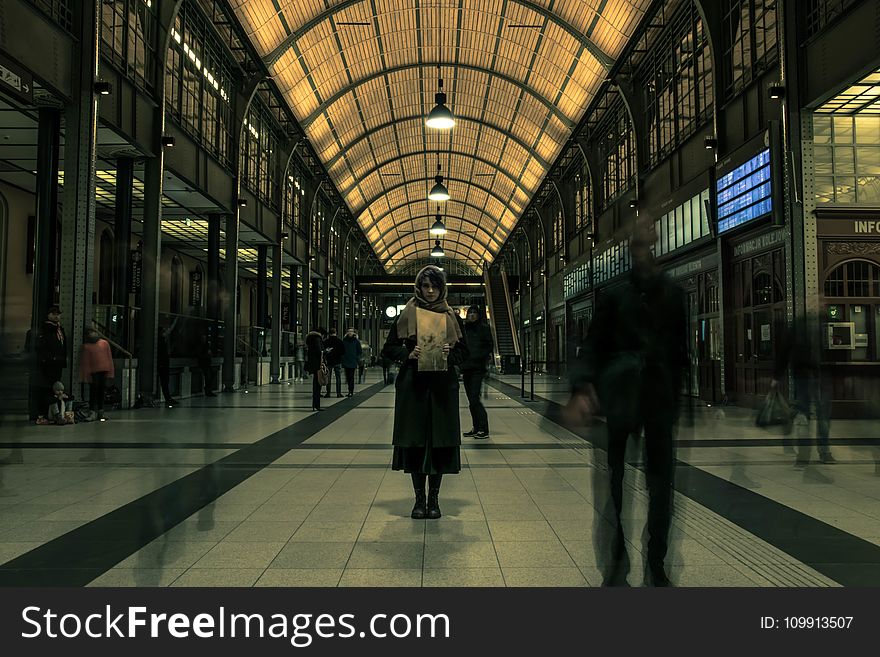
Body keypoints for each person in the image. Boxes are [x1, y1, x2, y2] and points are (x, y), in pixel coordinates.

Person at [566, 219, 688, 587]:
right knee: (615, 484)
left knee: (659, 486)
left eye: (648, 241)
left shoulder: (672, 294)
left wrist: (681, 403)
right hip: (621, 399)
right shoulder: (615, 296)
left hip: (658, 400)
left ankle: (656, 560)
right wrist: (583, 387)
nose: (644, 249)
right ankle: (618, 562)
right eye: (638, 243)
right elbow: (593, 346)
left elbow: (680, 353)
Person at [382, 265, 469, 520]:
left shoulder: (452, 316)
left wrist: (449, 355)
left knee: (439, 441)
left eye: (435, 286)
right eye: (425, 286)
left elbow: (465, 352)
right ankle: (419, 499)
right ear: (418, 288)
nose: (430, 291)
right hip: (414, 387)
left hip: (442, 388)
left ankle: (434, 499)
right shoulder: (407, 314)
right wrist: (407, 354)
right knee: (415, 441)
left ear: (442, 288)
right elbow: (389, 349)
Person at [773, 312, 835, 466]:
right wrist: (777, 375)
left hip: (821, 376)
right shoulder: (798, 325)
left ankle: (823, 452)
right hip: (804, 376)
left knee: (823, 416)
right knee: (805, 415)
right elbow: (785, 351)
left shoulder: (825, 323)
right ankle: (805, 454)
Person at [462, 304, 494, 438]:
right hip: (466, 369)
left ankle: (484, 428)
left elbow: (489, 347)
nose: (472, 315)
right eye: (470, 313)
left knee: (475, 399)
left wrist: (479, 357)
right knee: (471, 400)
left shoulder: (484, 329)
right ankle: (476, 427)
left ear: (479, 315)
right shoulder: (465, 330)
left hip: (477, 369)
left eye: (474, 312)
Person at [33, 305, 67, 419]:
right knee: (49, 388)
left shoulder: (59, 329)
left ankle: (54, 413)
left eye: (58, 314)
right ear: (48, 315)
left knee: (56, 388)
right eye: (53, 314)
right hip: (49, 364)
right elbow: (42, 347)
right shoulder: (46, 329)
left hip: (58, 363)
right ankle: (50, 413)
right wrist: (50, 358)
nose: (56, 316)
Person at [79, 328, 115, 421]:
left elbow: (109, 357)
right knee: (94, 392)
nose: (93, 334)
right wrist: (86, 375)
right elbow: (86, 362)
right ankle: (95, 412)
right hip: (94, 372)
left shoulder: (104, 343)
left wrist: (111, 371)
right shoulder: (88, 346)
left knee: (100, 391)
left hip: (103, 371)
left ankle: (99, 412)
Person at [305, 327, 325, 411]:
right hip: (317, 364)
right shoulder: (317, 339)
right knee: (318, 384)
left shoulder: (310, 339)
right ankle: (317, 405)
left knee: (315, 384)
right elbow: (319, 351)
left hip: (312, 364)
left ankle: (315, 405)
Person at [157, 325, 178, 406]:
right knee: (164, 382)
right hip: (163, 364)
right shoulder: (161, 342)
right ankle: (168, 398)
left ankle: (168, 398)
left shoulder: (162, 341)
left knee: (165, 382)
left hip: (164, 364)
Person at [323, 327, 344, 398]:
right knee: (338, 377)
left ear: (329, 333)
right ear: (336, 333)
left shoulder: (326, 341)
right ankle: (338, 393)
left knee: (328, 377)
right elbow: (343, 351)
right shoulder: (340, 341)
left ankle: (328, 393)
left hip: (329, 361)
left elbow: (324, 351)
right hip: (337, 361)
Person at [341, 327, 362, 396]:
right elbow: (342, 350)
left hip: (353, 361)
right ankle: (349, 390)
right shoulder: (344, 341)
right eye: (349, 331)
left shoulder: (356, 341)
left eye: (351, 331)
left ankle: (351, 391)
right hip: (346, 360)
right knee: (347, 376)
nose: (350, 332)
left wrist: (356, 358)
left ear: (353, 333)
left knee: (351, 376)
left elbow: (359, 351)